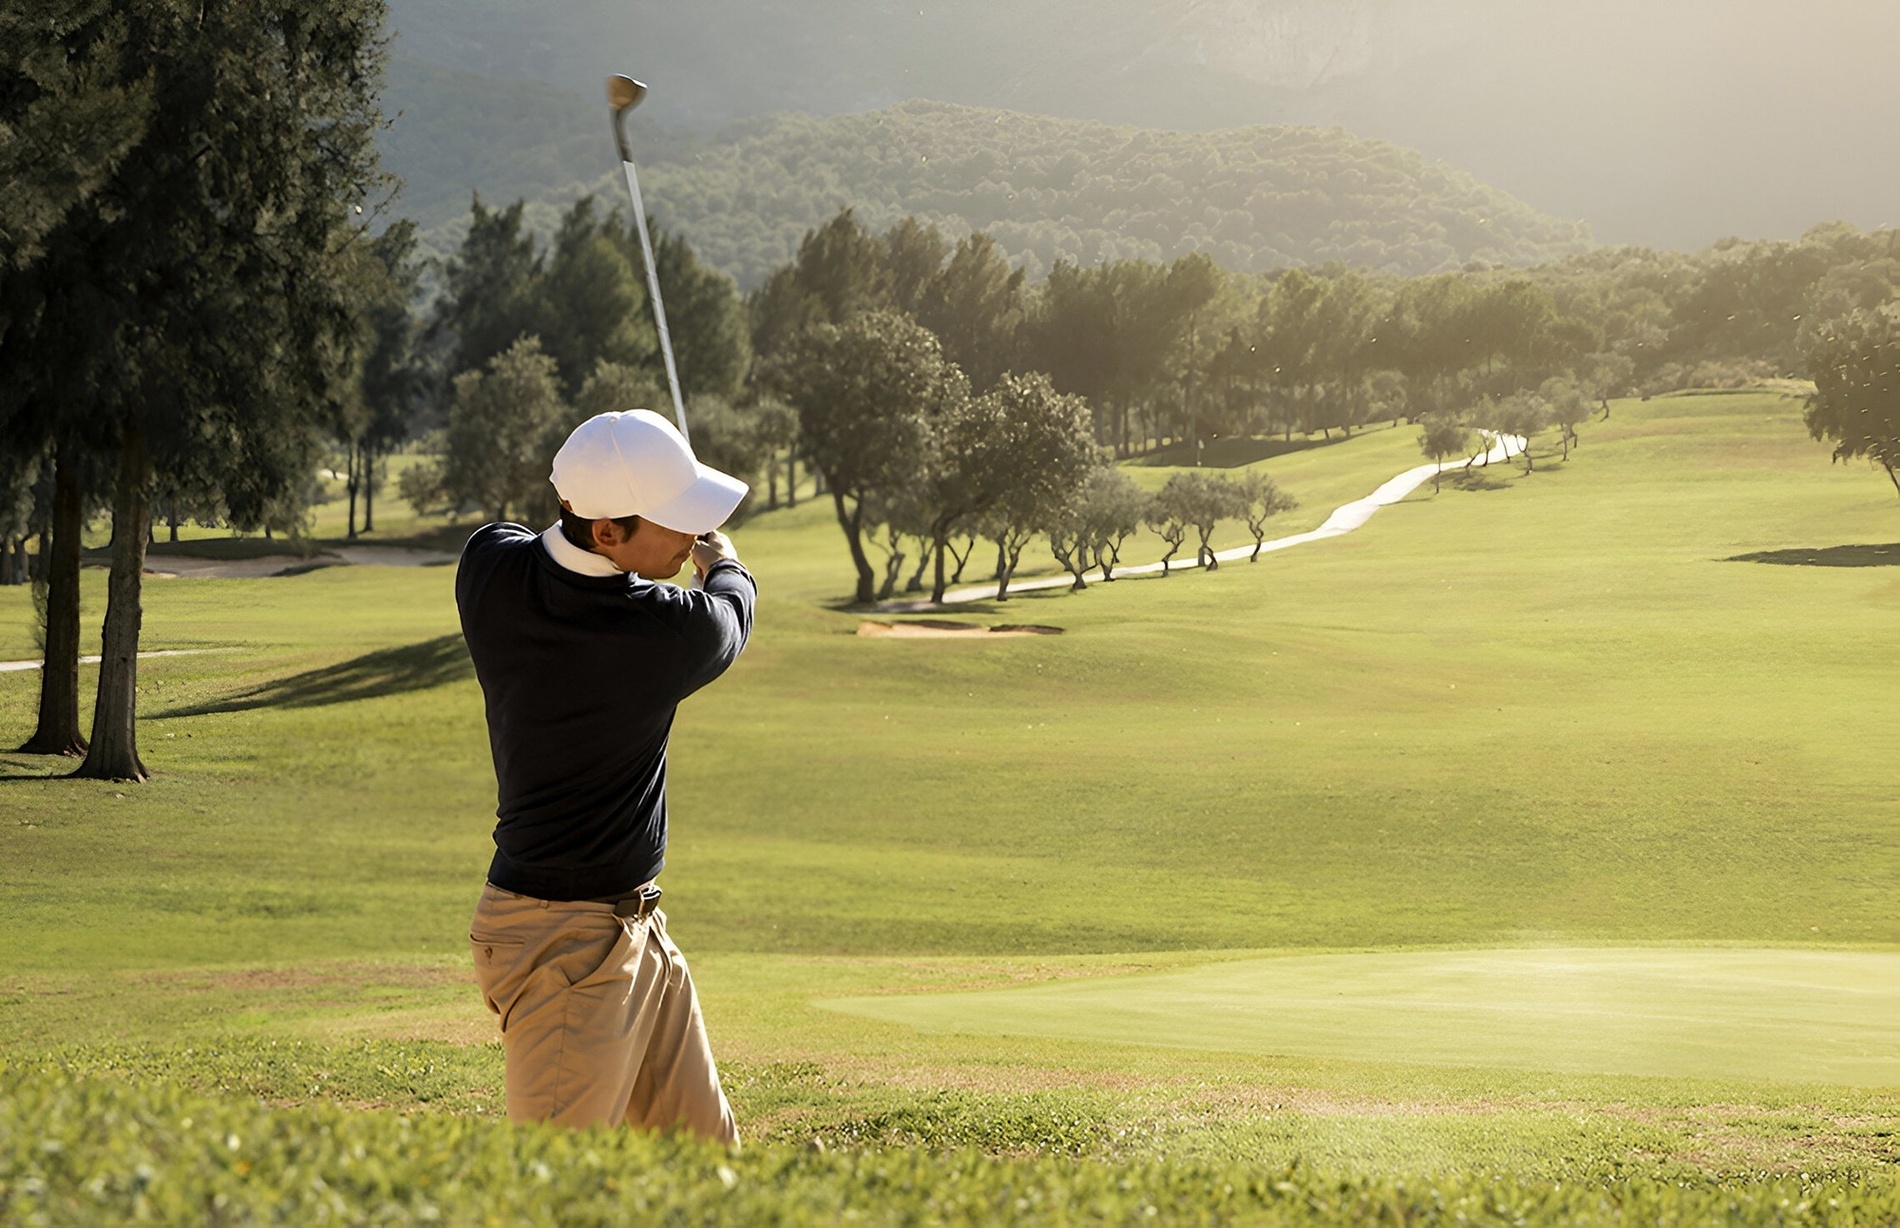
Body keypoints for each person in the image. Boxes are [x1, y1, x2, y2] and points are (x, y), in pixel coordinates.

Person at [455, 408, 755, 1146]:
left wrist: (621, 507)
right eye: (674, 519)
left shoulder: (487, 569)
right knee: (555, 1190)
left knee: (707, 1163)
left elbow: (537, 542)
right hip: (563, 947)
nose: (688, 534)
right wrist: (723, 561)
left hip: (631, 927)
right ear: (609, 532)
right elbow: (733, 611)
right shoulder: (663, 635)